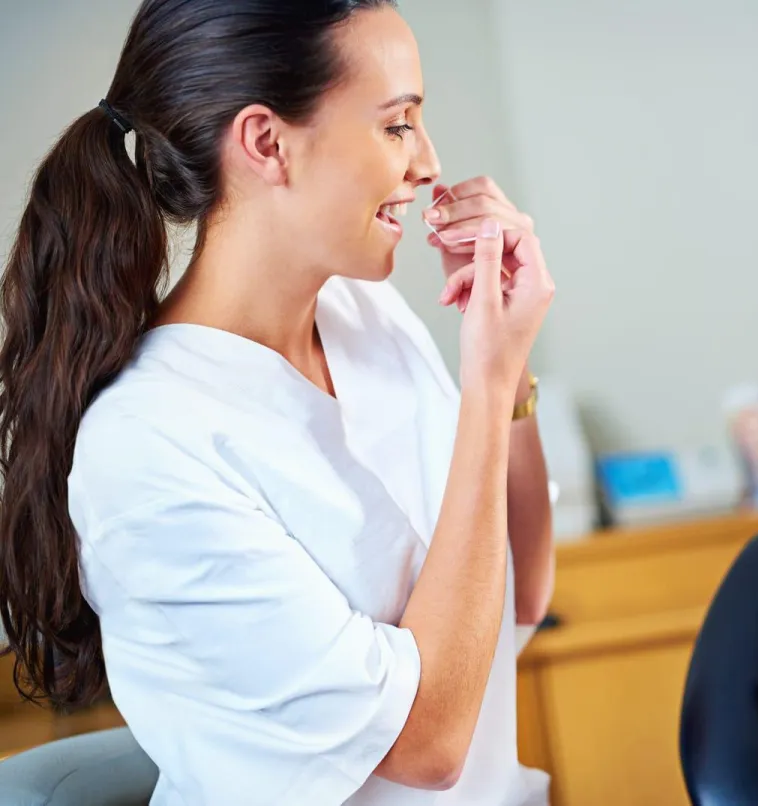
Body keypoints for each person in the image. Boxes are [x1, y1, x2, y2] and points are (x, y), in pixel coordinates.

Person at [0, 2, 556, 804]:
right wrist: (488, 381)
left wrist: (513, 368)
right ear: (267, 142)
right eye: (398, 126)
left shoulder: (371, 320)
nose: (428, 164)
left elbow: (522, 595)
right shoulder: (149, 446)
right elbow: (425, 745)